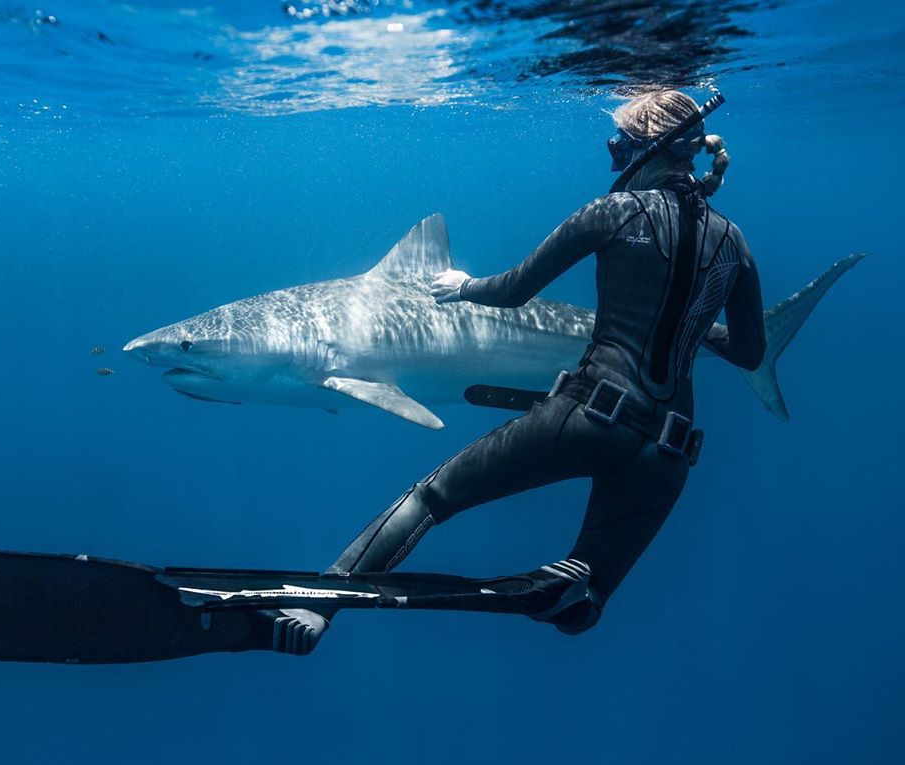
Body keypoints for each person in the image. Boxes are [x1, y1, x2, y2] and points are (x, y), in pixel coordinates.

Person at [268, 90, 767, 655]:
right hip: (668, 451)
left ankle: (319, 599)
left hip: (588, 418)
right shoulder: (735, 241)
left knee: (430, 501)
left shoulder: (612, 211)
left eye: (617, 142)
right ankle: (567, 585)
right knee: (586, 602)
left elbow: (514, 291)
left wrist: (463, 288)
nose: (611, 155)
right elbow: (749, 353)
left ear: (645, 147)